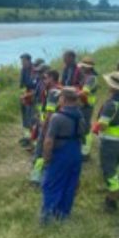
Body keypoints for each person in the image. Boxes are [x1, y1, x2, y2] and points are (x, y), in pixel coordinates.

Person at [41, 87, 85, 224]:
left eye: (60, 98)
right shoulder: (81, 116)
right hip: (76, 152)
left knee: (51, 184)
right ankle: (63, 214)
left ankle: (48, 216)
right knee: (70, 184)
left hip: (61, 154)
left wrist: (46, 158)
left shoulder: (57, 117)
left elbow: (49, 140)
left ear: (64, 99)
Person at [93, 71, 119, 213]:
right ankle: (112, 192)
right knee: (114, 169)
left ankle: (111, 200)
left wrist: (95, 127)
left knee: (109, 170)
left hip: (109, 143)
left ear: (112, 86)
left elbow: (103, 125)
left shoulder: (111, 104)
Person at [31, 69, 61, 186]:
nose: (43, 80)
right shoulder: (56, 90)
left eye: (46, 78)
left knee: (40, 151)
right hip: (49, 125)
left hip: (47, 126)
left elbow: (50, 113)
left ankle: (36, 178)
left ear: (52, 78)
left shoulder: (53, 92)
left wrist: (44, 128)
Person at [78, 56, 99, 160]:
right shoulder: (84, 75)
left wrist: (71, 94)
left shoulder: (92, 78)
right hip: (81, 105)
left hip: (87, 105)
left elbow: (84, 92)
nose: (82, 68)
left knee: (86, 127)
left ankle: (86, 152)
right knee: (81, 126)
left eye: (84, 67)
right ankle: (81, 148)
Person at [19, 53, 37, 147]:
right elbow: (22, 85)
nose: (22, 63)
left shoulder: (35, 70)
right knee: (25, 118)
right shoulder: (23, 70)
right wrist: (23, 95)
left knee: (32, 118)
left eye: (24, 61)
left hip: (33, 97)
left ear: (29, 61)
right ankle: (27, 137)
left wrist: (28, 95)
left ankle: (33, 139)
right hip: (25, 97)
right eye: (21, 61)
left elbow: (36, 86)